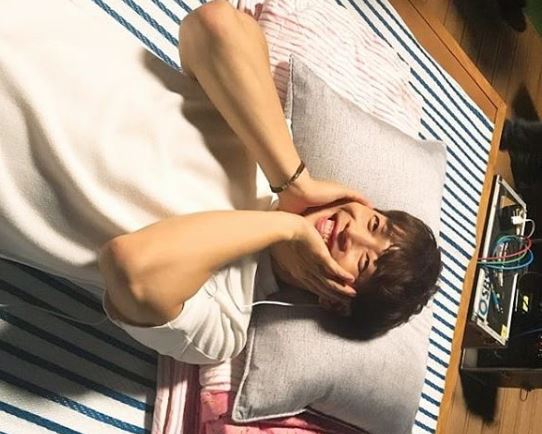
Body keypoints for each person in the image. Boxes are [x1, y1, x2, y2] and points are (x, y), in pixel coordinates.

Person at [98, 0, 441, 363]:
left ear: (336, 300)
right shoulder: (276, 149)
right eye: (373, 224)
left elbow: (129, 268)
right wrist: (293, 182)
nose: (350, 233)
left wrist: (286, 229)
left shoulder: (224, 325)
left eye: (364, 262)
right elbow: (213, 24)